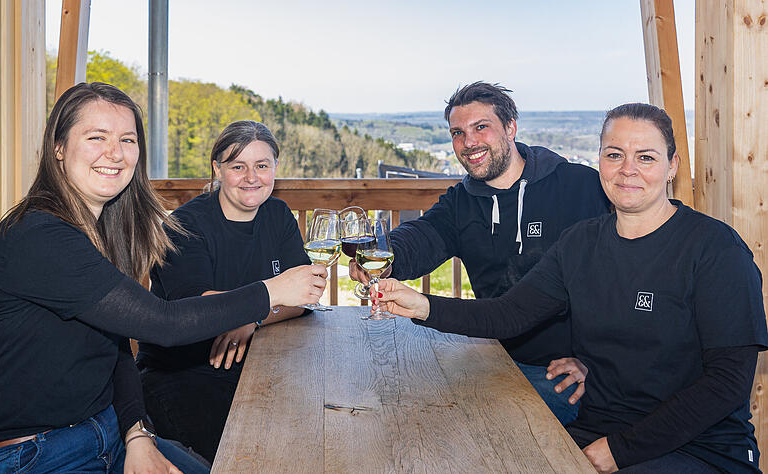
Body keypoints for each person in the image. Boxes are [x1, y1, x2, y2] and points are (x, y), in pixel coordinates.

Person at [0, 83, 327, 473]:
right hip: (27, 453)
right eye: (97, 137)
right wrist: (272, 291)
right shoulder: (38, 235)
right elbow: (165, 322)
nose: (115, 152)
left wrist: (136, 434)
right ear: (58, 148)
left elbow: (116, 350)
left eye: (127, 139)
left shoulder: (103, 232)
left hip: (105, 433)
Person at [373, 103, 767, 473]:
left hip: (699, 447)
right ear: (600, 162)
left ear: (671, 167)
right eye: (614, 155)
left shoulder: (715, 249)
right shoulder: (581, 243)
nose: (627, 169)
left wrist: (619, 450)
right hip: (600, 426)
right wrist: (421, 305)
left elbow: (727, 383)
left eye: (645, 157)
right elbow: (508, 314)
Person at [350, 81, 610, 425]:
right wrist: (386, 256)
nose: (468, 142)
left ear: (511, 128)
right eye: (458, 132)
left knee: (473, 427)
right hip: (492, 354)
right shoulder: (462, 202)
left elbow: (622, 276)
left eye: (481, 127)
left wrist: (597, 361)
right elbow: (423, 236)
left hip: (563, 372)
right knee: (396, 406)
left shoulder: (579, 186)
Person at [136, 121, 309, 462]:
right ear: (218, 169)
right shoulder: (184, 225)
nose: (251, 177)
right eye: (237, 166)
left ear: (275, 167)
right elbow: (194, 308)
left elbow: (303, 297)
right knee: (238, 458)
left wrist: (253, 321)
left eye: (262, 165)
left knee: (301, 439)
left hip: (255, 366)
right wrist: (268, 300)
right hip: (180, 373)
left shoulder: (278, 214)